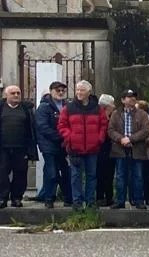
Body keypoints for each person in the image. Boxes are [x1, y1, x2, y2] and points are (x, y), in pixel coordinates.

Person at [57, 80, 108, 211]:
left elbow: (103, 125)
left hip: (93, 148)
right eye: (77, 90)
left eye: (82, 90)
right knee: (75, 177)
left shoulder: (98, 109)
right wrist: (70, 137)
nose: (79, 92)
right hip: (75, 149)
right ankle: (77, 202)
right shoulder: (68, 108)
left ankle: (90, 202)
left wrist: (99, 139)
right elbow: (62, 125)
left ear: (89, 92)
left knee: (92, 176)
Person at [108, 89, 149, 210]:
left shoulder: (142, 114)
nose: (132, 99)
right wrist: (121, 139)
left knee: (138, 176)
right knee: (120, 176)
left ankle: (138, 200)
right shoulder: (116, 114)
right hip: (119, 149)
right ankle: (120, 200)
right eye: (129, 97)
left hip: (136, 148)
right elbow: (110, 130)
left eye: (134, 97)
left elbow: (146, 130)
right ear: (122, 100)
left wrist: (131, 139)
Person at [0, 84, 37, 208]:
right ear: (6, 95)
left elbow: (31, 128)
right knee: (2, 173)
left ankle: (16, 198)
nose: (16, 95)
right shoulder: (1, 107)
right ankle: (2, 198)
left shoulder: (26, 109)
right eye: (13, 93)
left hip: (21, 148)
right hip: (3, 148)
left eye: (18, 93)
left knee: (20, 174)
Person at [36, 80, 71, 208]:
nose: (61, 93)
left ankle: (69, 198)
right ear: (51, 91)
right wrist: (61, 137)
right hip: (49, 145)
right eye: (58, 90)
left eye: (63, 90)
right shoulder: (44, 107)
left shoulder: (67, 106)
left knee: (66, 171)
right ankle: (49, 199)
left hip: (63, 145)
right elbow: (43, 127)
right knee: (52, 172)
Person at [96, 94, 116, 207]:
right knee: (100, 174)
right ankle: (100, 197)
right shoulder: (99, 116)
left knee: (109, 174)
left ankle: (109, 197)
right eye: (112, 104)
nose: (114, 106)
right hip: (101, 148)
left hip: (110, 149)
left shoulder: (111, 117)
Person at [137, 100, 149, 207]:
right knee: (137, 176)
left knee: (147, 176)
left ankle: (148, 198)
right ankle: (136, 198)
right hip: (136, 152)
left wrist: (142, 139)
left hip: (147, 152)